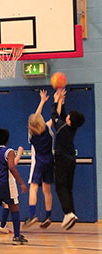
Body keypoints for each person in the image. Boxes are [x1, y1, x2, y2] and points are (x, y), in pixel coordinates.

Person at [51, 89, 85, 230]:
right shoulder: (71, 127)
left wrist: (55, 100)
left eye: (69, 116)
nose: (67, 116)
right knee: (68, 188)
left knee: (60, 187)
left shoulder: (62, 127)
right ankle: (71, 213)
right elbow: (62, 115)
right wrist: (62, 101)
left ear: (69, 120)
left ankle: (67, 212)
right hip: (71, 161)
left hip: (62, 161)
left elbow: (55, 116)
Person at [22, 90, 54, 229]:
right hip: (50, 162)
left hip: (39, 162)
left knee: (34, 188)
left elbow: (35, 119)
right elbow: (54, 117)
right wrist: (57, 101)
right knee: (47, 190)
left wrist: (41, 102)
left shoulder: (31, 135)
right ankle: (48, 216)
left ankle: (32, 215)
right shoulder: (47, 128)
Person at [0, 140, 24, 234]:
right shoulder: (3, 152)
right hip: (5, 182)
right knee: (13, 206)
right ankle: (14, 233)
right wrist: (19, 153)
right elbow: (12, 165)